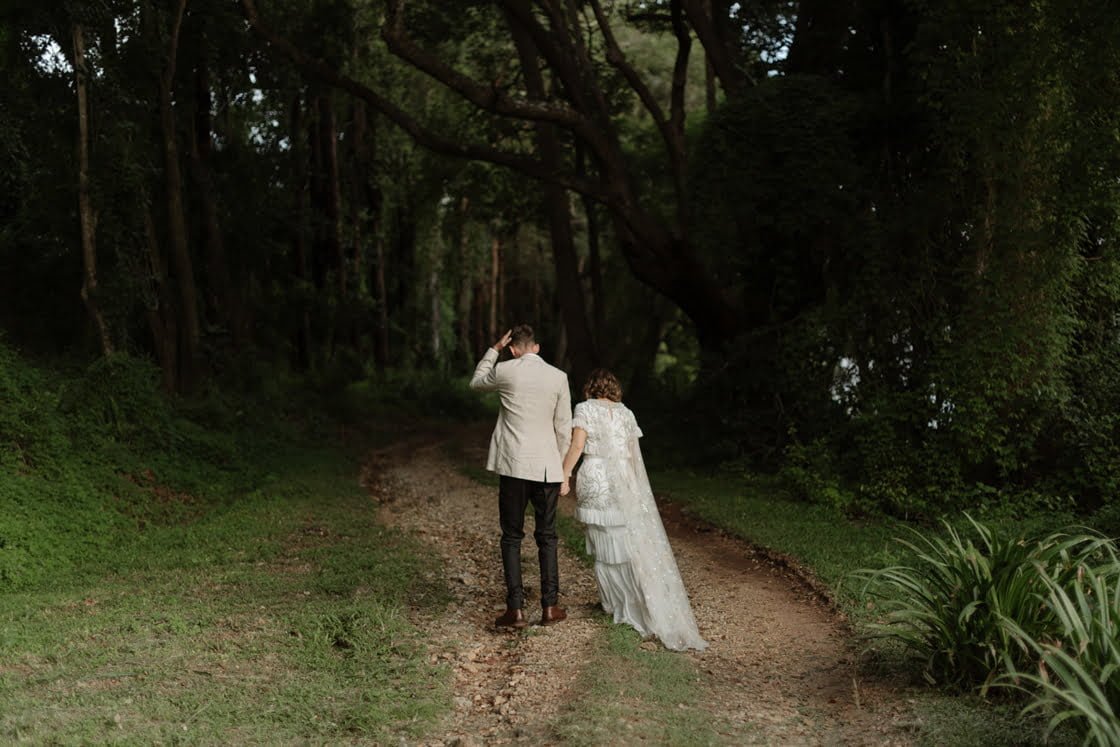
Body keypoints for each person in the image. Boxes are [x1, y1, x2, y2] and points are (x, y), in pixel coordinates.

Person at [560, 369, 707, 651]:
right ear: (614, 389)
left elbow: (578, 445)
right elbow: (631, 456)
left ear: (591, 388)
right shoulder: (627, 413)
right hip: (624, 480)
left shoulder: (584, 408)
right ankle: (633, 600)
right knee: (624, 539)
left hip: (596, 476)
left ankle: (616, 602)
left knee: (603, 538)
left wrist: (564, 474)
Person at [471, 324, 572, 629]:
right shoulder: (558, 377)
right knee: (547, 537)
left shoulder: (505, 370)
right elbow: (563, 428)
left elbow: (476, 382)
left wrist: (495, 349)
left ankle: (515, 611)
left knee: (512, 537)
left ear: (513, 349)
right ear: (536, 348)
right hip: (547, 468)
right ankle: (550, 607)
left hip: (514, 467)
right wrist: (563, 470)